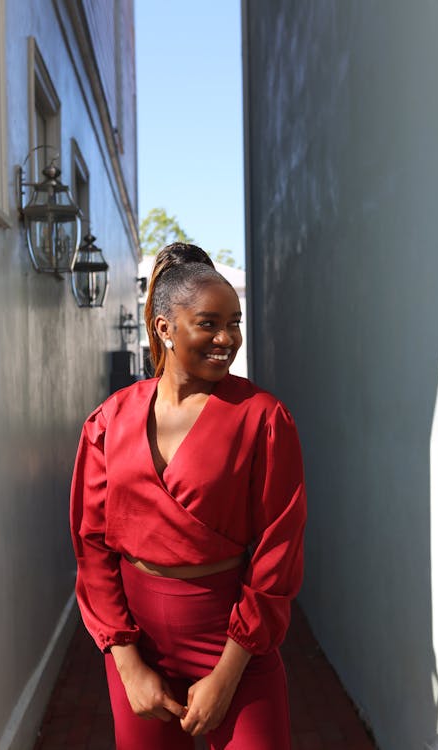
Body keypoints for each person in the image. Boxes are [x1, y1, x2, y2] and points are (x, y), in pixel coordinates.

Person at [70, 242, 307, 749]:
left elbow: (277, 552)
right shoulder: (109, 420)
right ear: (164, 328)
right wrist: (126, 661)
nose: (227, 338)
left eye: (235, 322)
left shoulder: (263, 418)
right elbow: (92, 546)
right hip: (137, 644)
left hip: (234, 644)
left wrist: (227, 674)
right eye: (209, 323)